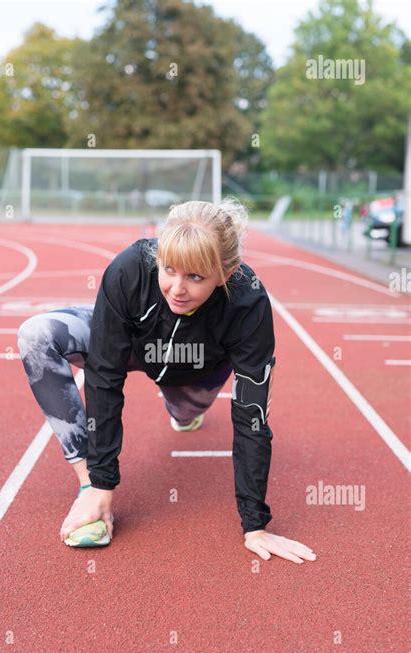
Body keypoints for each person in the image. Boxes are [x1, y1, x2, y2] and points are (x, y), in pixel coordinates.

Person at [17, 198, 316, 564]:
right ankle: (86, 488)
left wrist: (255, 525)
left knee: (185, 410)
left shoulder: (248, 303)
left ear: (227, 273)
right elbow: (104, 377)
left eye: (195, 277)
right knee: (37, 335)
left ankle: (184, 410)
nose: (176, 288)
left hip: (198, 370)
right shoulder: (129, 269)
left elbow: (251, 417)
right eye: (169, 269)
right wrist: (100, 482)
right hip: (134, 345)